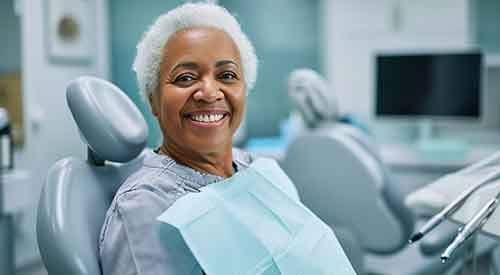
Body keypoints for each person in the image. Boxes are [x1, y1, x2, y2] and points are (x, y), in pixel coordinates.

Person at [98, 3, 257, 274]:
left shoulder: (251, 168)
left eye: (227, 75)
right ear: (154, 100)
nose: (209, 93)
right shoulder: (144, 208)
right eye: (185, 78)